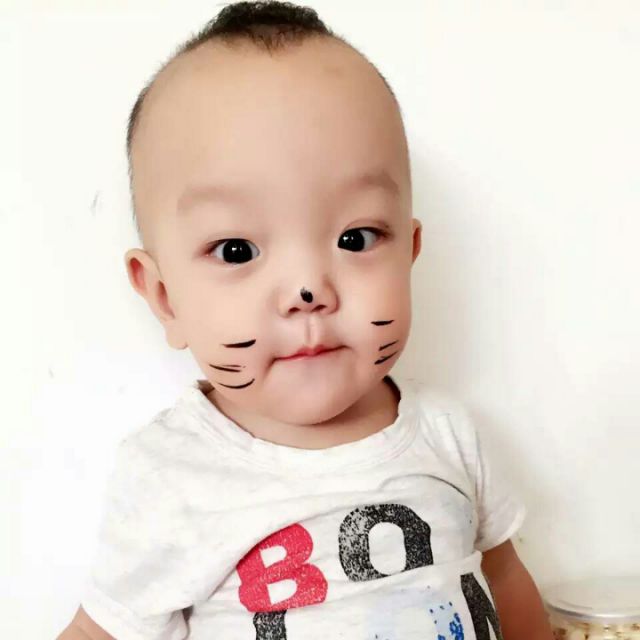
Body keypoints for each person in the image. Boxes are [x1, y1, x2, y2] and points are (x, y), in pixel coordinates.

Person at [57, 2, 553, 639]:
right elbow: (98, 631)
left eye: (355, 238)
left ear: (409, 252)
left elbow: (506, 581)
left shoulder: (449, 436)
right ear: (165, 297)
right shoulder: (172, 477)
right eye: (237, 250)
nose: (307, 290)